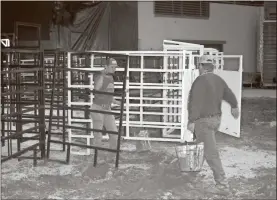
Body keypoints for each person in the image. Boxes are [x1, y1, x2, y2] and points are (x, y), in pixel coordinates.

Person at [187, 55, 239, 194]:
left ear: (202, 66)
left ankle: (222, 185)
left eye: (199, 66)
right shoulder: (218, 80)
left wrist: (192, 121)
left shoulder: (200, 81)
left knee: (211, 153)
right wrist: (234, 106)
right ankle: (191, 177)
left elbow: (195, 103)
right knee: (201, 148)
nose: (198, 68)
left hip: (203, 121)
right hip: (215, 120)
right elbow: (229, 94)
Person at [91, 58, 121, 151]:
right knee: (98, 134)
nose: (114, 69)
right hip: (98, 108)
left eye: (115, 67)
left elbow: (108, 94)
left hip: (107, 108)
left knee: (114, 132)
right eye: (112, 67)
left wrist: (116, 101)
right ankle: (97, 156)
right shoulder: (101, 76)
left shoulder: (110, 77)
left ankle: (113, 152)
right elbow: (96, 91)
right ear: (106, 66)